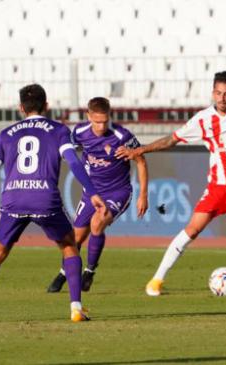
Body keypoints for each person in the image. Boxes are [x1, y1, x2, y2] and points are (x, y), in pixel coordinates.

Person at [116, 71, 226, 296]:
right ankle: (156, 280)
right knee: (192, 229)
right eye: (218, 93)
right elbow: (171, 140)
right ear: (212, 93)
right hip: (218, 186)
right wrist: (140, 150)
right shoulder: (203, 119)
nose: (222, 98)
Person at [0, 84, 106, 324]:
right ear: (46, 106)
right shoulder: (59, 130)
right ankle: (76, 308)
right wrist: (91, 192)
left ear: (20, 108)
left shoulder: (6, 134)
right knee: (70, 246)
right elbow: (74, 162)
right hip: (44, 198)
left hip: (13, 199)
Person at [46, 97, 149, 293]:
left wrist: (143, 195)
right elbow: (68, 152)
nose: (101, 126)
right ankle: (63, 273)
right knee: (74, 238)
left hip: (118, 191)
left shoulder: (122, 136)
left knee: (97, 222)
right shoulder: (79, 132)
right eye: (97, 121)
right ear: (88, 116)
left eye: (105, 121)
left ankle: (89, 272)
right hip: (92, 192)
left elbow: (141, 162)